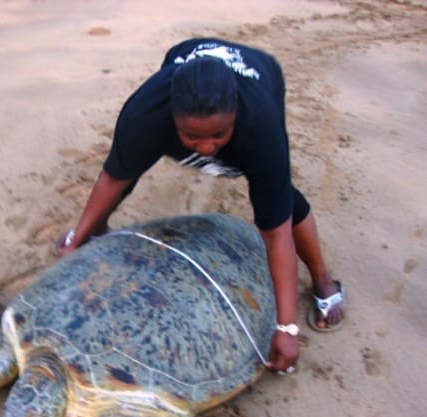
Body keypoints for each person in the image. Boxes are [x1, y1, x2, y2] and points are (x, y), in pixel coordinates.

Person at [55, 38, 345, 373]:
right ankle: (97, 231)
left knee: (279, 200)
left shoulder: (258, 123)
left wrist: (286, 327)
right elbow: (114, 176)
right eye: (193, 138)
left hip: (262, 76)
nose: (206, 148)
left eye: (218, 136)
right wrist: (78, 237)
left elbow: (276, 234)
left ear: (235, 112)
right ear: (172, 117)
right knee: (128, 167)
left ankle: (324, 280)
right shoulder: (146, 113)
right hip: (185, 67)